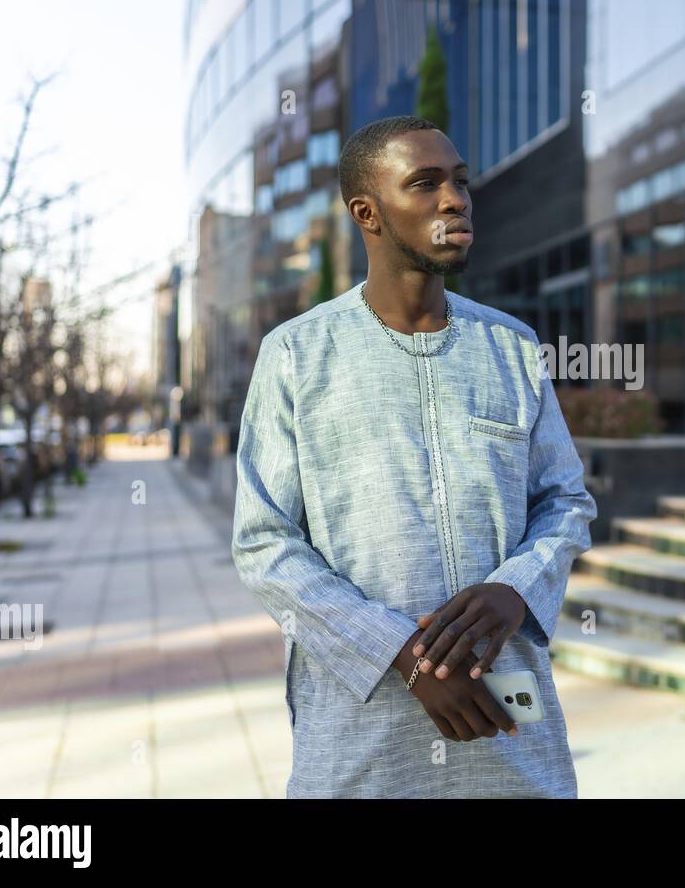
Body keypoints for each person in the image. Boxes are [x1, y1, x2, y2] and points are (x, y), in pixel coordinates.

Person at [232, 115, 597, 798]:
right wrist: (405, 655)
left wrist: (517, 587)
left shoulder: (512, 347)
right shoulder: (296, 355)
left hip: (511, 749)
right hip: (361, 751)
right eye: (425, 184)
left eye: (460, 182)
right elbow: (263, 543)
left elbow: (566, 501)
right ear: (366, 212)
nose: (454, 200)